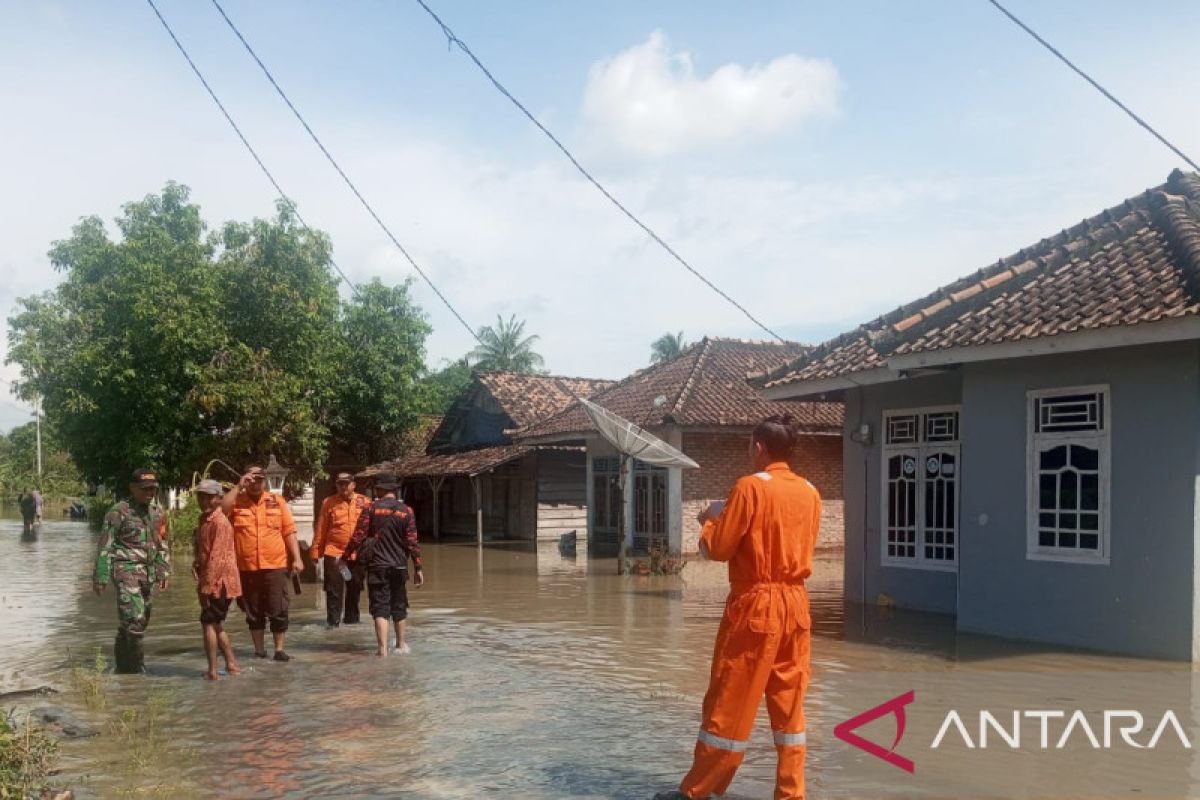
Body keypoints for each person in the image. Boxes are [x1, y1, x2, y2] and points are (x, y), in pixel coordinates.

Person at [655, 415, 821, 800]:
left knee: (729, 700)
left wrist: (712, 520)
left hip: (756, 606)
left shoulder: (749, 487)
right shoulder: (810, 491)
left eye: (750, 446)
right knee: (790, 709)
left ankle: (698, 791)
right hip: (797, 604)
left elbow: (717, 550)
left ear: (759, 447)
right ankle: (791, 793)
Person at [92, 468, 170, 674]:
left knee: (138, 620)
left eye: (153, 489)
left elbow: (162, 543)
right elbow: (105, 545)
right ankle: (137, 669)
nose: (149, 493)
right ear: (132, 488)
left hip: (148, 573)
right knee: (135, 621)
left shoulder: (157, 512)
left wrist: (163, 572)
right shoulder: (118, 512)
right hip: (125, 571)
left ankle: (122, 668)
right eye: (145, 489)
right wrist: (100, 576)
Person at [222, 464, 303, 662]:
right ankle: (259, 650)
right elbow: (221, 511)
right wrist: (238, 486)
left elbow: (289, 531)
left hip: (275, 565)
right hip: (246, 567)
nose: (255, 483)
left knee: (279, 608)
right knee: (253, 611)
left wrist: (298, 558)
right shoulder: (236, 502)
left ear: (264, 481)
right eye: (251, 479)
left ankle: (279, 650)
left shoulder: (277, 501)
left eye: (259, 479)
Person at [341, 473, 423, 657]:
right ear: (394, 490)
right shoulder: (406, 511)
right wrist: (418, 568)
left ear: (380, 490)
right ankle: (401, 646)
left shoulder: (371, 509)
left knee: (380, 608)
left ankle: (382, 651)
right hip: (400, 566)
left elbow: (358, 536)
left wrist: (345, 556)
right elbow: (412, 542)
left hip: (377, 566)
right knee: (399, 607)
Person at [191, 479, 242, 680]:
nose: (204, 501)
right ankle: (232, 664)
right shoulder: (203, 520)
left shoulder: (221, 523)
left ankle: (213, 671)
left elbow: (217, 559)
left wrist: (206, 588)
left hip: (221, 583)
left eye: (209, 497)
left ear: (220, 499)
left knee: (208, 623)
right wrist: (196, 563)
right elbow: (204, 551)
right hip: (212, 580)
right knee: (215, 623)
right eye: (201, 496)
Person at [309, 473, 370, 627]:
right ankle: (333, 624)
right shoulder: (329, 503)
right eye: (339, 484)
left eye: (346, 483)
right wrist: (316, 551)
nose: (342, 487)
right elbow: (321, 528)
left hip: (356, 555)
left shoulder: (365, 502)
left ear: (353, 485)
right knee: (334, 590)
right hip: (335, 554)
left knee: (354, 588)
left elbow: (372, 529)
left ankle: (352, 623)